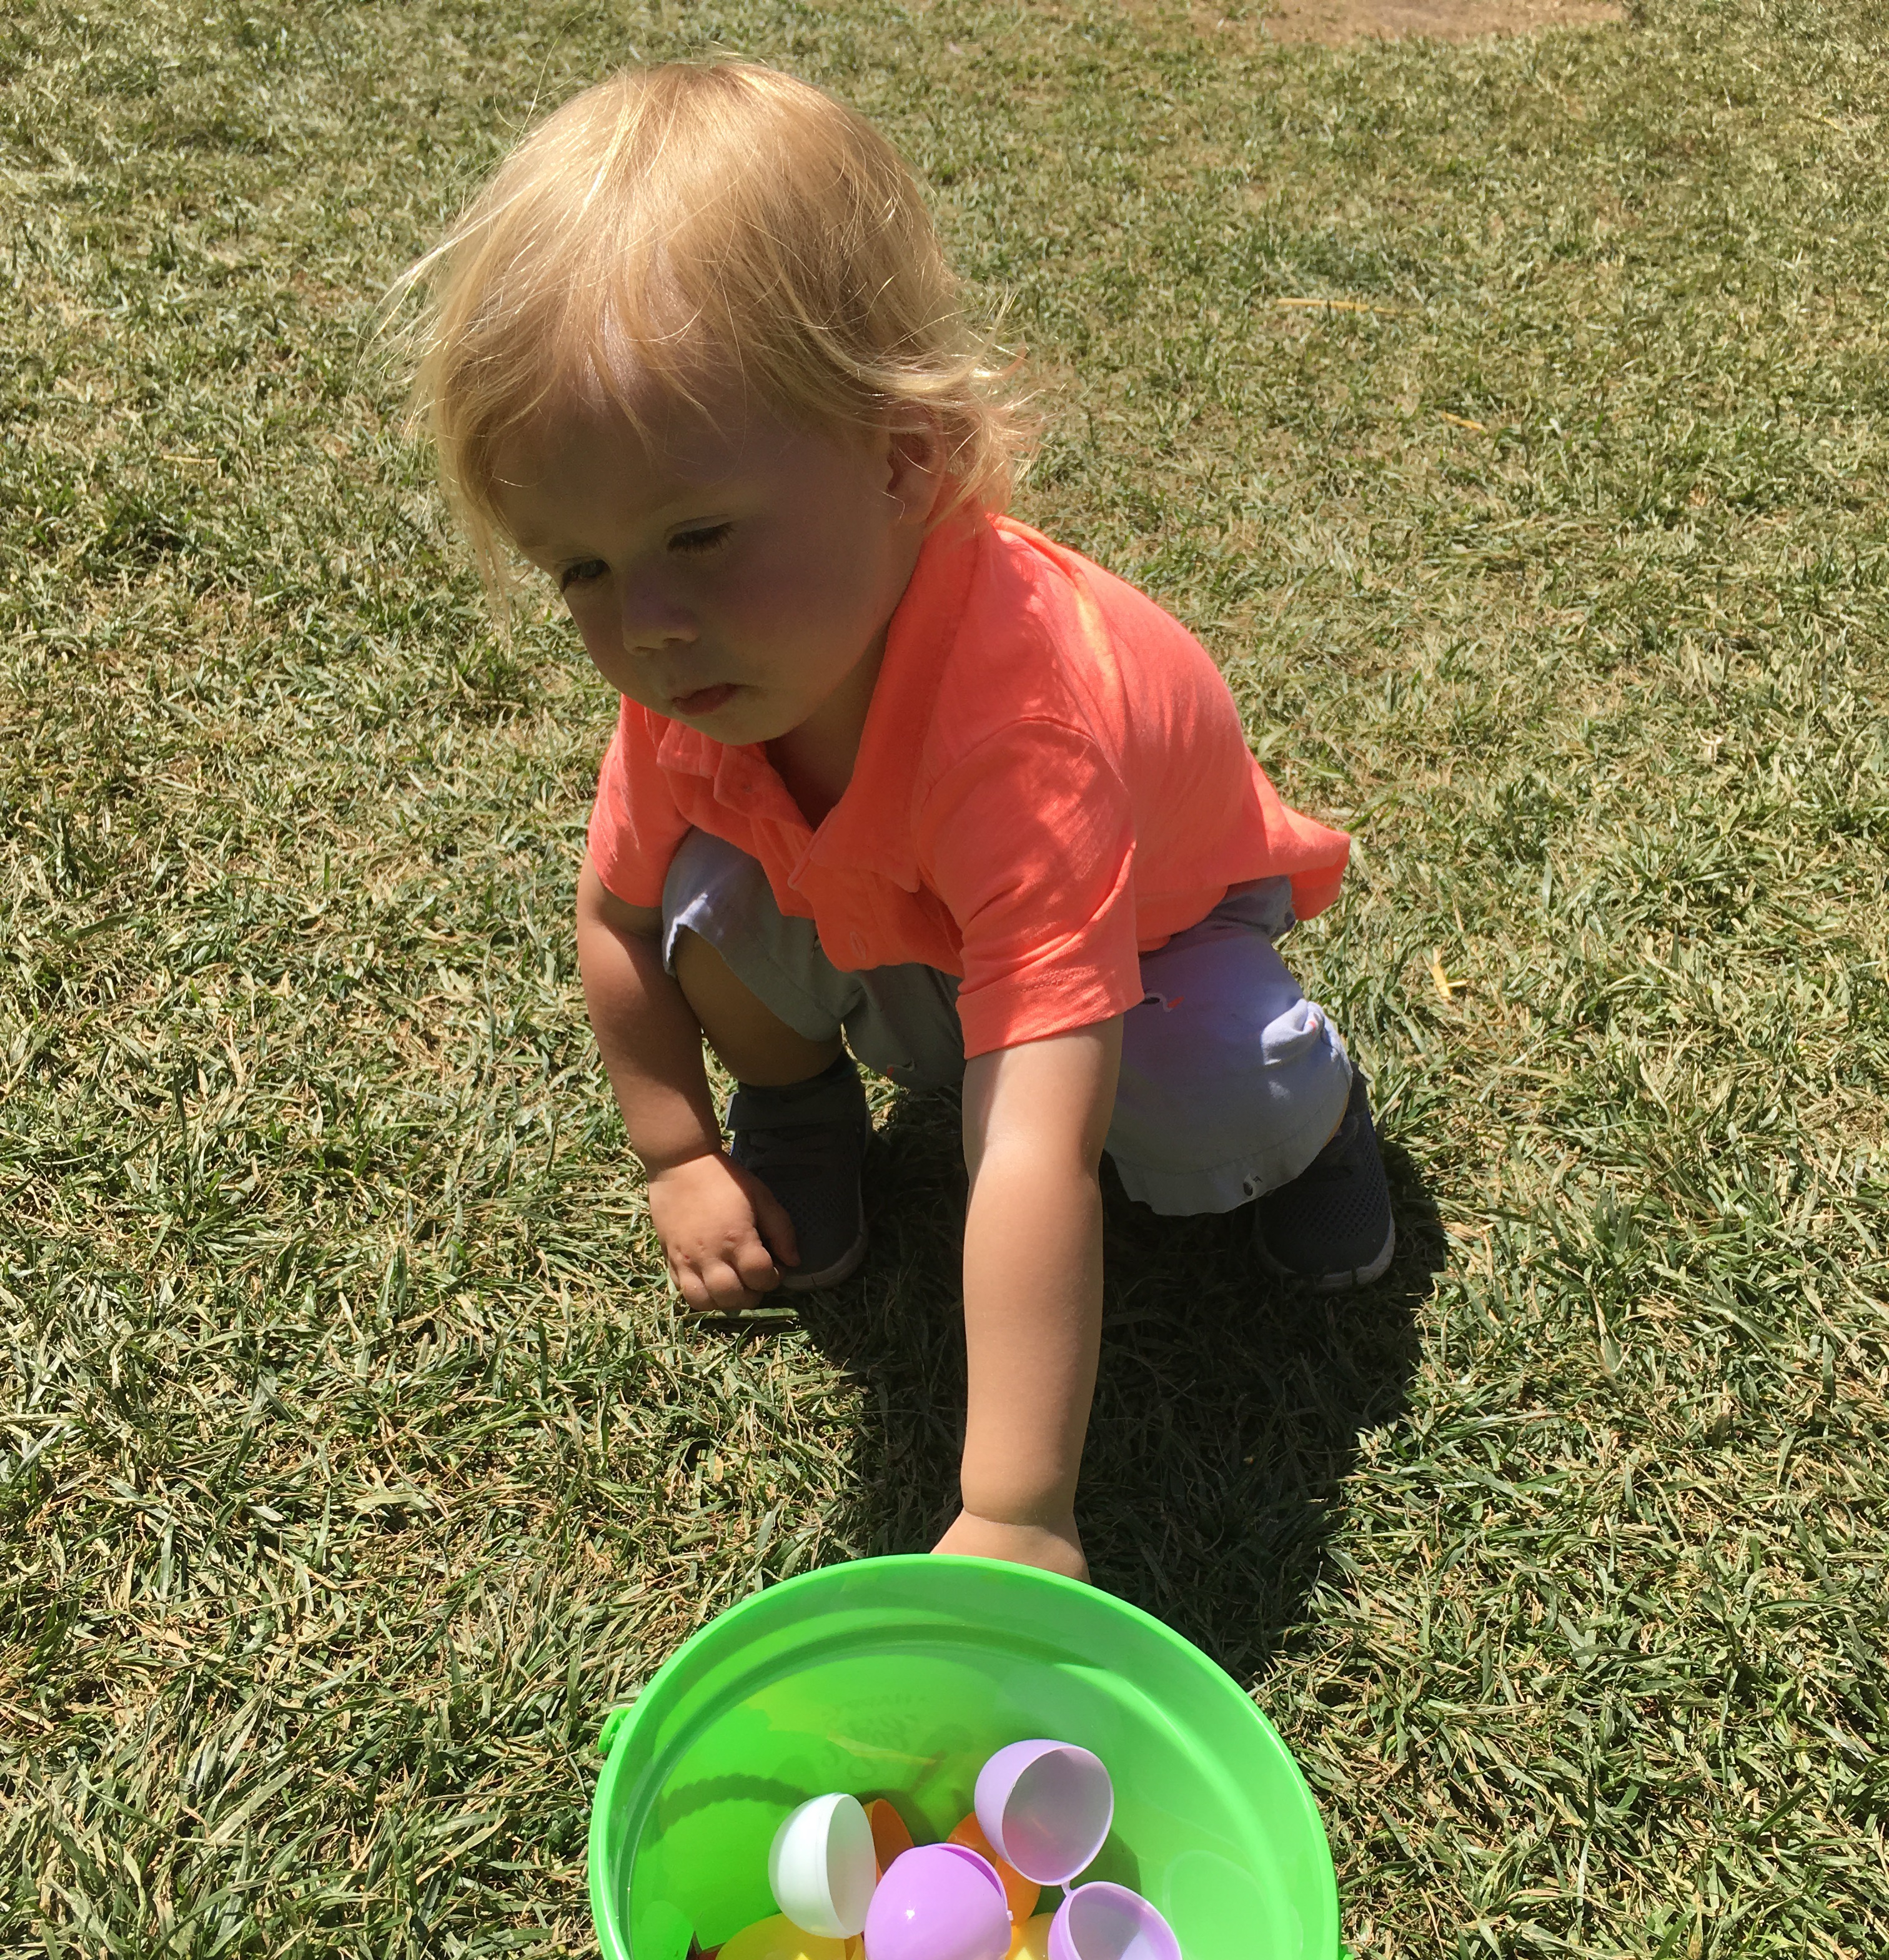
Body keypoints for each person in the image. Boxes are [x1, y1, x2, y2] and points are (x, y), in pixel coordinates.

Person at [402, 59, 1394, 1583]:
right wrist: (675, 1155)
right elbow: (618, 917)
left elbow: (1034, 1141)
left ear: (900, 458)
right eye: (580, 570)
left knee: (1212, 1096)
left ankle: (1320, 1121)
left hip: (1158, 933)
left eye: (698, 535)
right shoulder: (704, 678)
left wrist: (1015, 1506)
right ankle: (799, 1116)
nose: (646, 624)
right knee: (708, 893)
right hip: (919, 917)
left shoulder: (1022, 730)